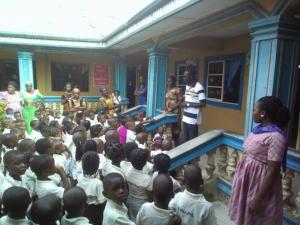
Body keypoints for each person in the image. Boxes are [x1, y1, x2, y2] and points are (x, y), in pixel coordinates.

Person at [229, 96, 290, 225]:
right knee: (246, 218)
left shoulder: (276, 137)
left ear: (263, 113)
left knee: (258, 219)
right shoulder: (258, 130)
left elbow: (273, 171)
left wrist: (257, 199)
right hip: (248, 181)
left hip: (259, 185)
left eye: (254, 109)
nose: (252, 112)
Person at [77, 151, 106, 225]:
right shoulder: (98, 183)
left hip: (83, 207)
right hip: (95, 210)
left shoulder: (79, 177)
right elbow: (101, 201)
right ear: (97, 166)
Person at [125, 148, 152, 221]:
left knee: (132, 218)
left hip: (130, 199)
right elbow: (150, 196)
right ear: (145, 162)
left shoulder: (127, 171)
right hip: (142, 202)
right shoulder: (147, 179)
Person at [180, 67, 206, 142]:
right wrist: (182, 103)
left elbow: (203, 104)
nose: (184, 78)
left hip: (193, 119)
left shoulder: (199, 87)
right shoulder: (187, 86)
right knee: (185, 140)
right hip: (185, 117)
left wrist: (187, 104)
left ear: (191, 77)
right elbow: (188, 98)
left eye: (185, 76)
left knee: (192, 141)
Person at [165, 76, 182, 146]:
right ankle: (168, 146)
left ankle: (177, 147)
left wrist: (173, 108)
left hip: (175, 112)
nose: (169, 82)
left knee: (175, 131)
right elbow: (167, 100)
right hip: (169, 112)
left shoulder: (178, 90)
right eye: (168, 81)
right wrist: (165, 107)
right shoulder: (168, 89)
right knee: (169, 130)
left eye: (170, 81)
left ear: (174, 82)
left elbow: (180, 100)